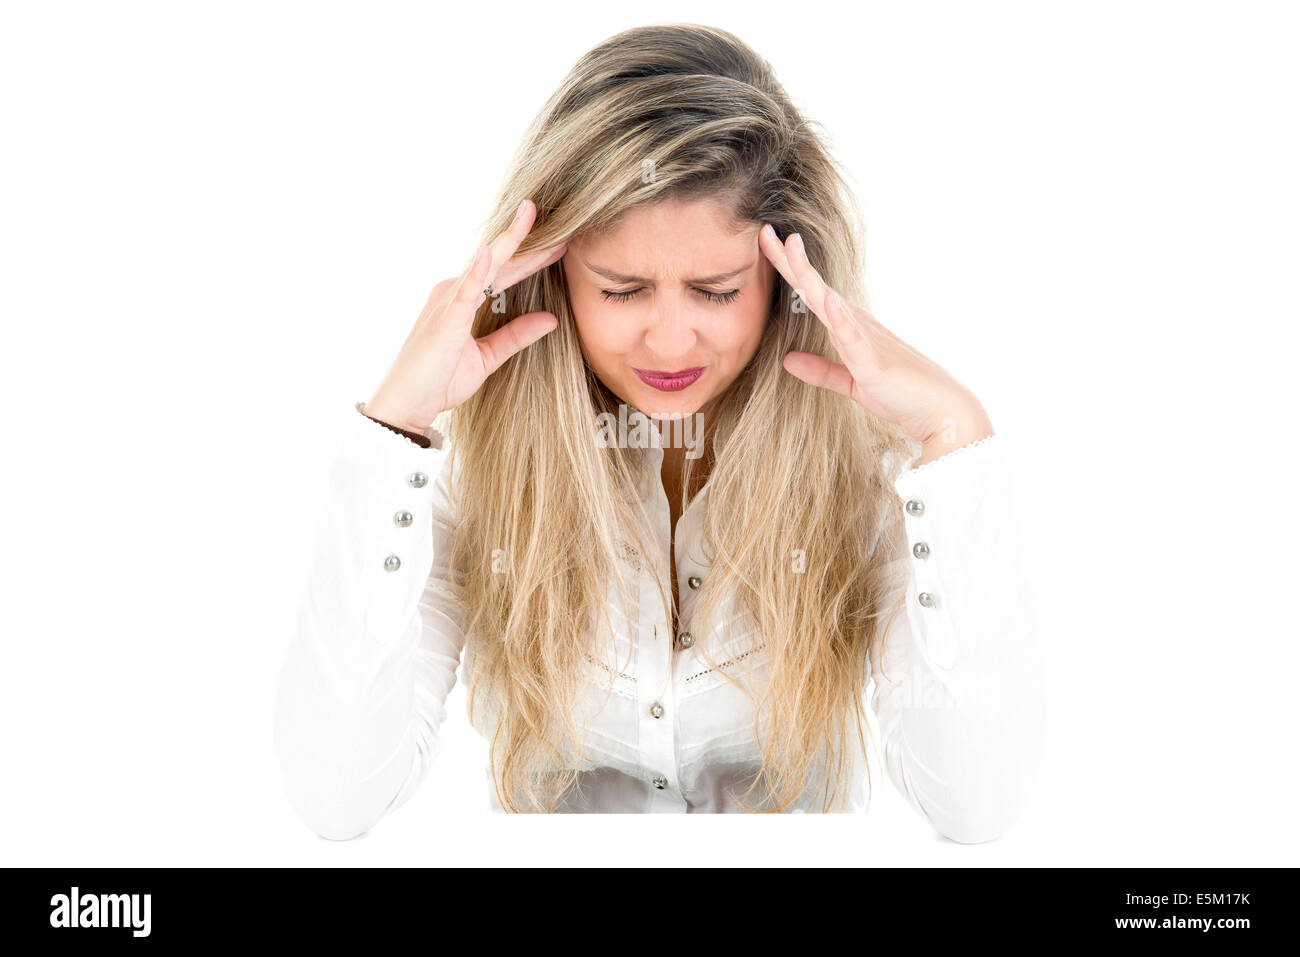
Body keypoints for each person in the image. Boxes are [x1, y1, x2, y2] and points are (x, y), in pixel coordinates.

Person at [272, 22, 1046, 838]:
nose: (670, 342)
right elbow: (336, 796)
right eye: (621, 289)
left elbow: (976, 806)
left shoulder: (875, 480)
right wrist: (395, 425)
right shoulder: (471, 473)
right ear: (550, 274)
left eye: (714, 291)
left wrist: (956, 435)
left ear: (788, 277)